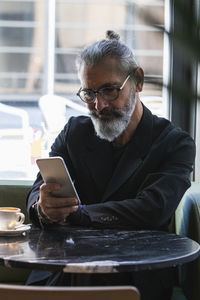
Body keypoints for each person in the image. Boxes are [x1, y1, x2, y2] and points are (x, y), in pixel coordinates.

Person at [26, 30, 195, 300]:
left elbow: (152, 210)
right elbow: (37, 192)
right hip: (62, 273)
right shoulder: (74, 133)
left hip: (133, 278)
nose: (99, 104)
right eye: (89, 93)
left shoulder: (175, 144)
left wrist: (76, 214)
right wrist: (44, 208)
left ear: (137, 81)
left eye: (109, 90)